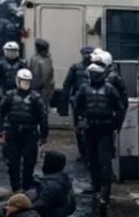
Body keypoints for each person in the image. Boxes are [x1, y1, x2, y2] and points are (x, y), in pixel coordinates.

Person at [72, 63, 127, 213]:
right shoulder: (84, 89)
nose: (93, 76)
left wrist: (116, 125)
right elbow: (77, 106)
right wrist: (79, 123)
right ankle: (96, 188)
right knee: (92, 160)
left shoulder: (110, 89)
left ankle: (105, 194)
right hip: (90, 129)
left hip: (105, 130)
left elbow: (120, 107)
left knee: (105, 162)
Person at [0, 68, 48, 193]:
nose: (25, 84)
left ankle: (26, 186)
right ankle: (15, 188)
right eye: (22, 81)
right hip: (13, 132)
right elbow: (1, 112)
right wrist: (0, 130)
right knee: (13, 162)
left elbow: (43, 117)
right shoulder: (10, 95)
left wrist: (43, 135)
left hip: (30, 132)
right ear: (17, 81)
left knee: (29, 161)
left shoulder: (36, 98)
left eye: (27, 81)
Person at [60, 45, 96, 159]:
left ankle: (91, 151)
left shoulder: (96, 68)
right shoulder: (75, 68)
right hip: (78, 102)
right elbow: (67, 84)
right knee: (78, 129)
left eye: (89, 54)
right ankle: (83, 152)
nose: (87, 56)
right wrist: (64, 104)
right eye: (85, 54)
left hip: (92, 101)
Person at [27, 151, 76, 217]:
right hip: (62, 210)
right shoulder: (63, 177)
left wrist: (25, 207)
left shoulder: (50, 184)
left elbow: (42, 204)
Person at [28, 39, 54, 109]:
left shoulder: (37, 59)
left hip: (40, 89)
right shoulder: (47, 59)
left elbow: (42, 76)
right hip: (43, 88)